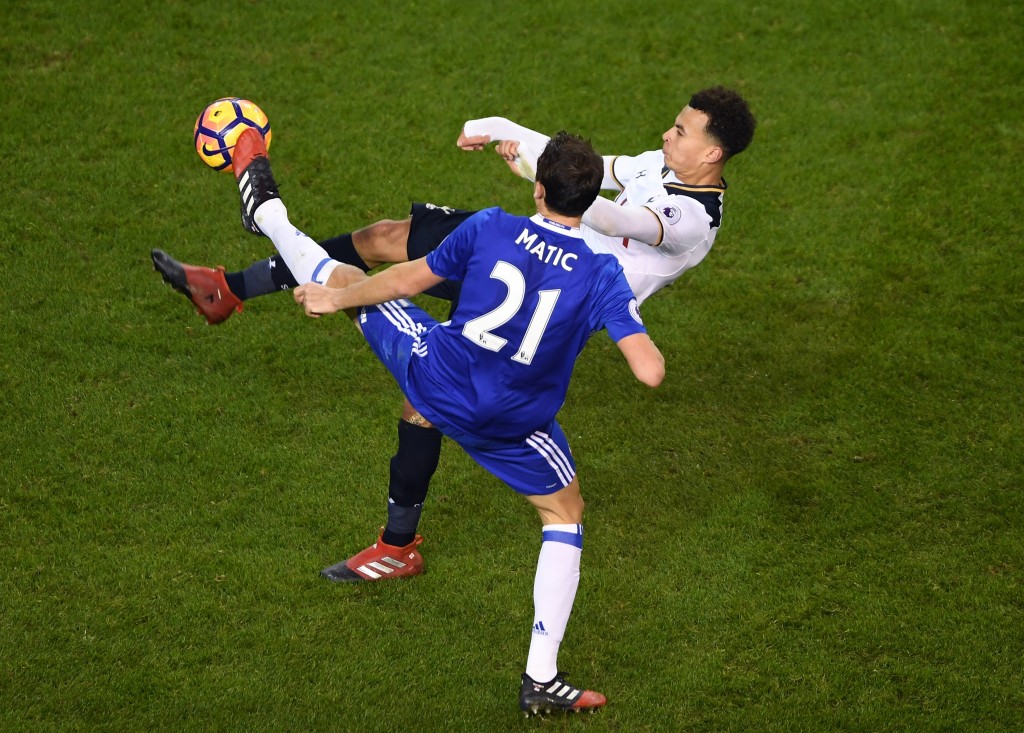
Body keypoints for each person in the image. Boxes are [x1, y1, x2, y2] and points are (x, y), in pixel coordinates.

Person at [151, 86, 754, 587]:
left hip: (554, 287)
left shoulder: (693, 221)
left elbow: (608, 214)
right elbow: (591, 173)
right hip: (532, 236)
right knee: (387, 236)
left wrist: (528, 168)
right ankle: (229, 289)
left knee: (427, 396)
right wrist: (501, 128)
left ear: (713, 154)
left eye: (682, 131)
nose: (668, 134)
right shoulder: (663, 163)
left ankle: (397, 543)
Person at [227, 126, 664, 714]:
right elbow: (649, 372)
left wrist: (334, 301)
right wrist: (629, 326)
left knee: (353, 279)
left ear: (538, 190)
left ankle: (273, 217)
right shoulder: (602, 275)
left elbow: (406, 278)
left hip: (435, 380)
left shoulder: (489, 226)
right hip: (511, 424)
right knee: (563, 515)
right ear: (588, 204)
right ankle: (540, 680)